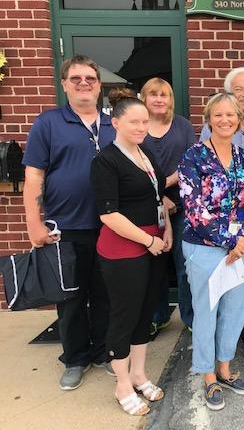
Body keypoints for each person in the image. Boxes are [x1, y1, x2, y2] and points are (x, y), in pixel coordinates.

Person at [22, 55, 115, 391]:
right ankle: (75, 358)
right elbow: (34, 176)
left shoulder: (111, 125)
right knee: (71, 297)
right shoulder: (48, 123)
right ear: (64, 84)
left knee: (105, 294)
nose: (83, 83)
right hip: (65, 227)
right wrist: (34, 224)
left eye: (90, 78)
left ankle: (105, 352)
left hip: (110, 226)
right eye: (75, 78)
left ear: (99, 84)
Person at [90, 92, 171, 415]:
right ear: (116, 122)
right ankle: (122, 383)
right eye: (134, 122)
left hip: (153, 244)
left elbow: (156, 195)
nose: (141, 127)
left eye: (144, 121)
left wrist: (164, 231)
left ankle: (138, 373)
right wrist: (148, 241)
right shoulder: (106, 160)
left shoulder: (144, 153)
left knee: (144, 314)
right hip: (124, 249)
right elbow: (108, 214)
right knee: (124, 316)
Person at [179, 93, 244, 411]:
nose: (225, 120)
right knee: (207, 311)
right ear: (208, 119)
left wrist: (242, 238)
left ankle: (225, 367)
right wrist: (229, 240)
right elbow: (193, 208)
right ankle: (208, 374)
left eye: (231, 115)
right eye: (218, 115)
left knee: (235, 310)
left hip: (240, 248)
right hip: (204, 248)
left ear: (239, 119)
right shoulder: (193, 157)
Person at [201, 67, 244, 360]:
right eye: (239, 89)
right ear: (229, 92)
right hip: (219, 217)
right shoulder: (210, 128)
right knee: (222, 273)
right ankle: (222, 339)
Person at [140, 78, 196, 334]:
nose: (160, 99)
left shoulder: (182, 126)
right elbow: (131, 163)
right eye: (154, 94)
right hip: (145, 207)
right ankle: (158, 315)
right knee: (153, 267)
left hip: (182, 207)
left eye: (165, 95)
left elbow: (191, 162)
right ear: (144, 98)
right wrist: (159, 195)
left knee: (185, 266)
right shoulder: (137, 127)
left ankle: (190, 317)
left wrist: (164, 186)